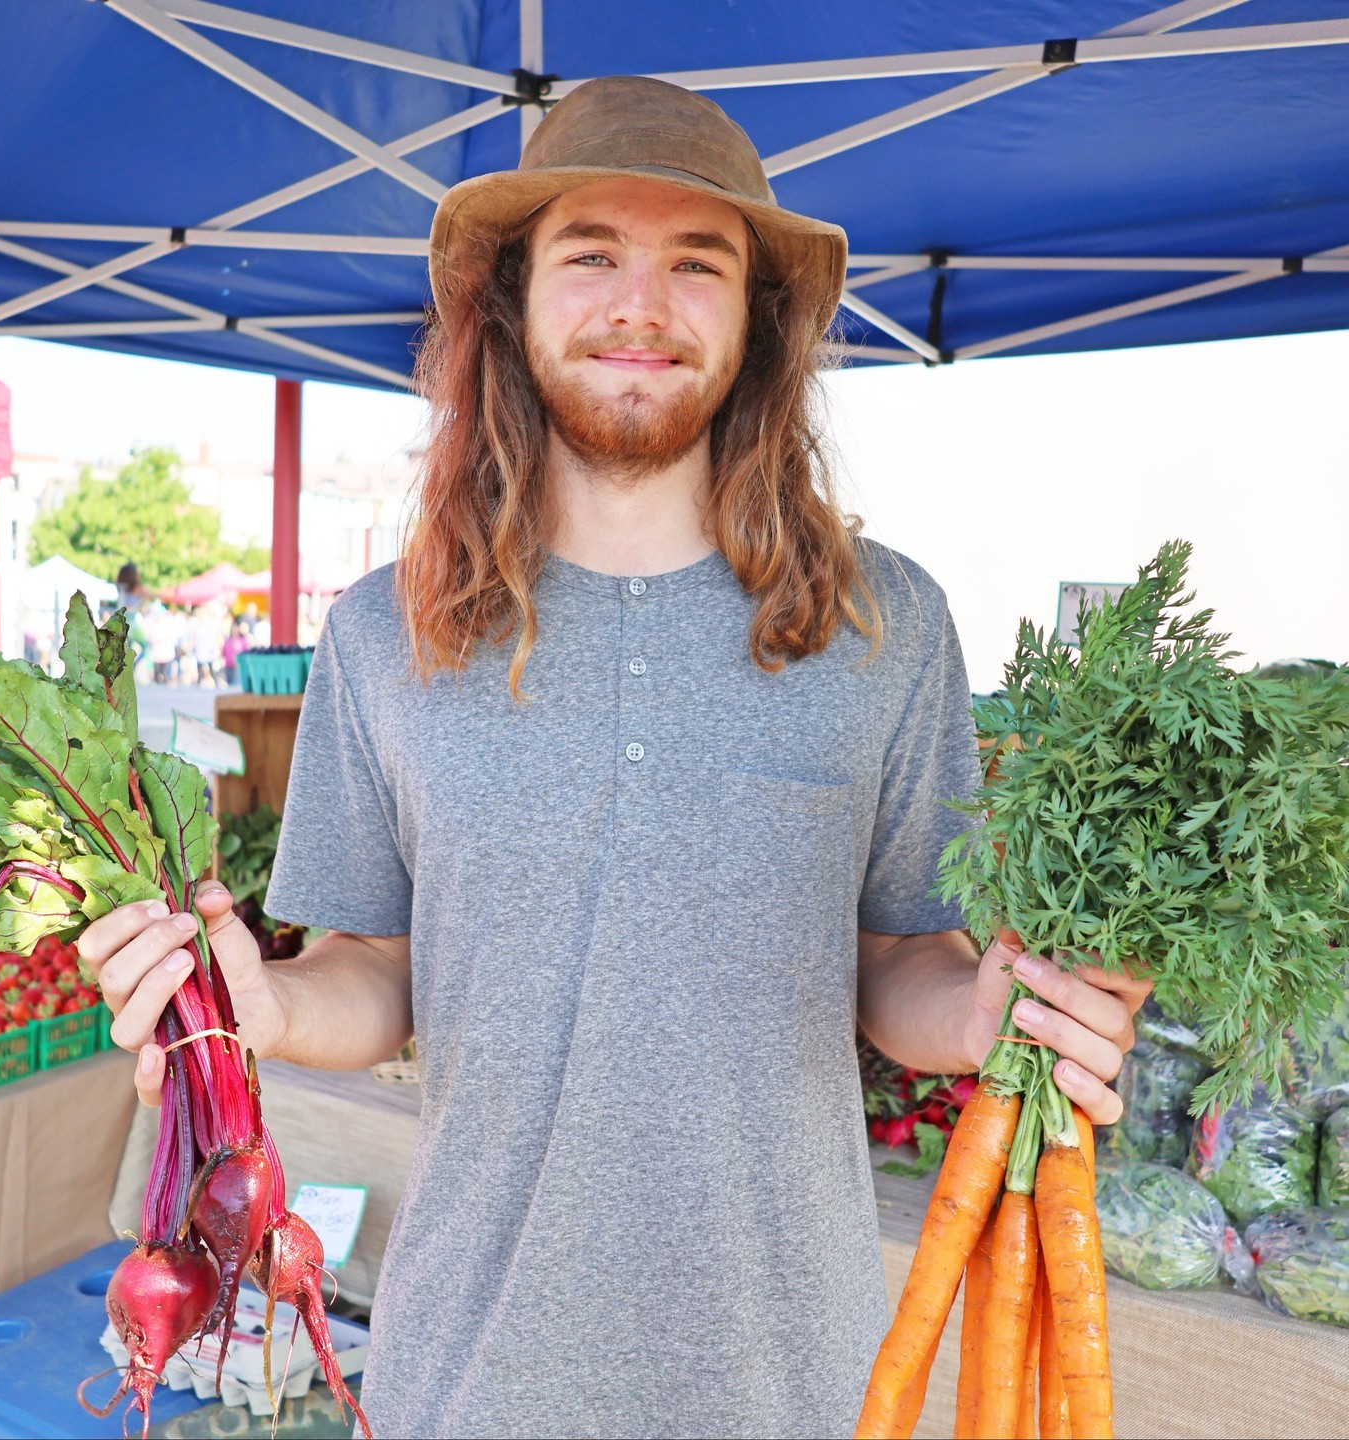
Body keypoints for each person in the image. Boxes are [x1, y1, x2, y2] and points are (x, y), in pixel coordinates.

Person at [77, 77, 1148, 1439]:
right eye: (591, 256)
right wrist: (265, 1008)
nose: (640, 305)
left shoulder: (889, 622)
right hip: (471, 1380)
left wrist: (1012, 1011)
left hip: (796, 1381)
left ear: (755, 318)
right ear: (510, 304)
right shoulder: (380, 634)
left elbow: (902, 969)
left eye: (695, 264)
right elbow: (377, 973)